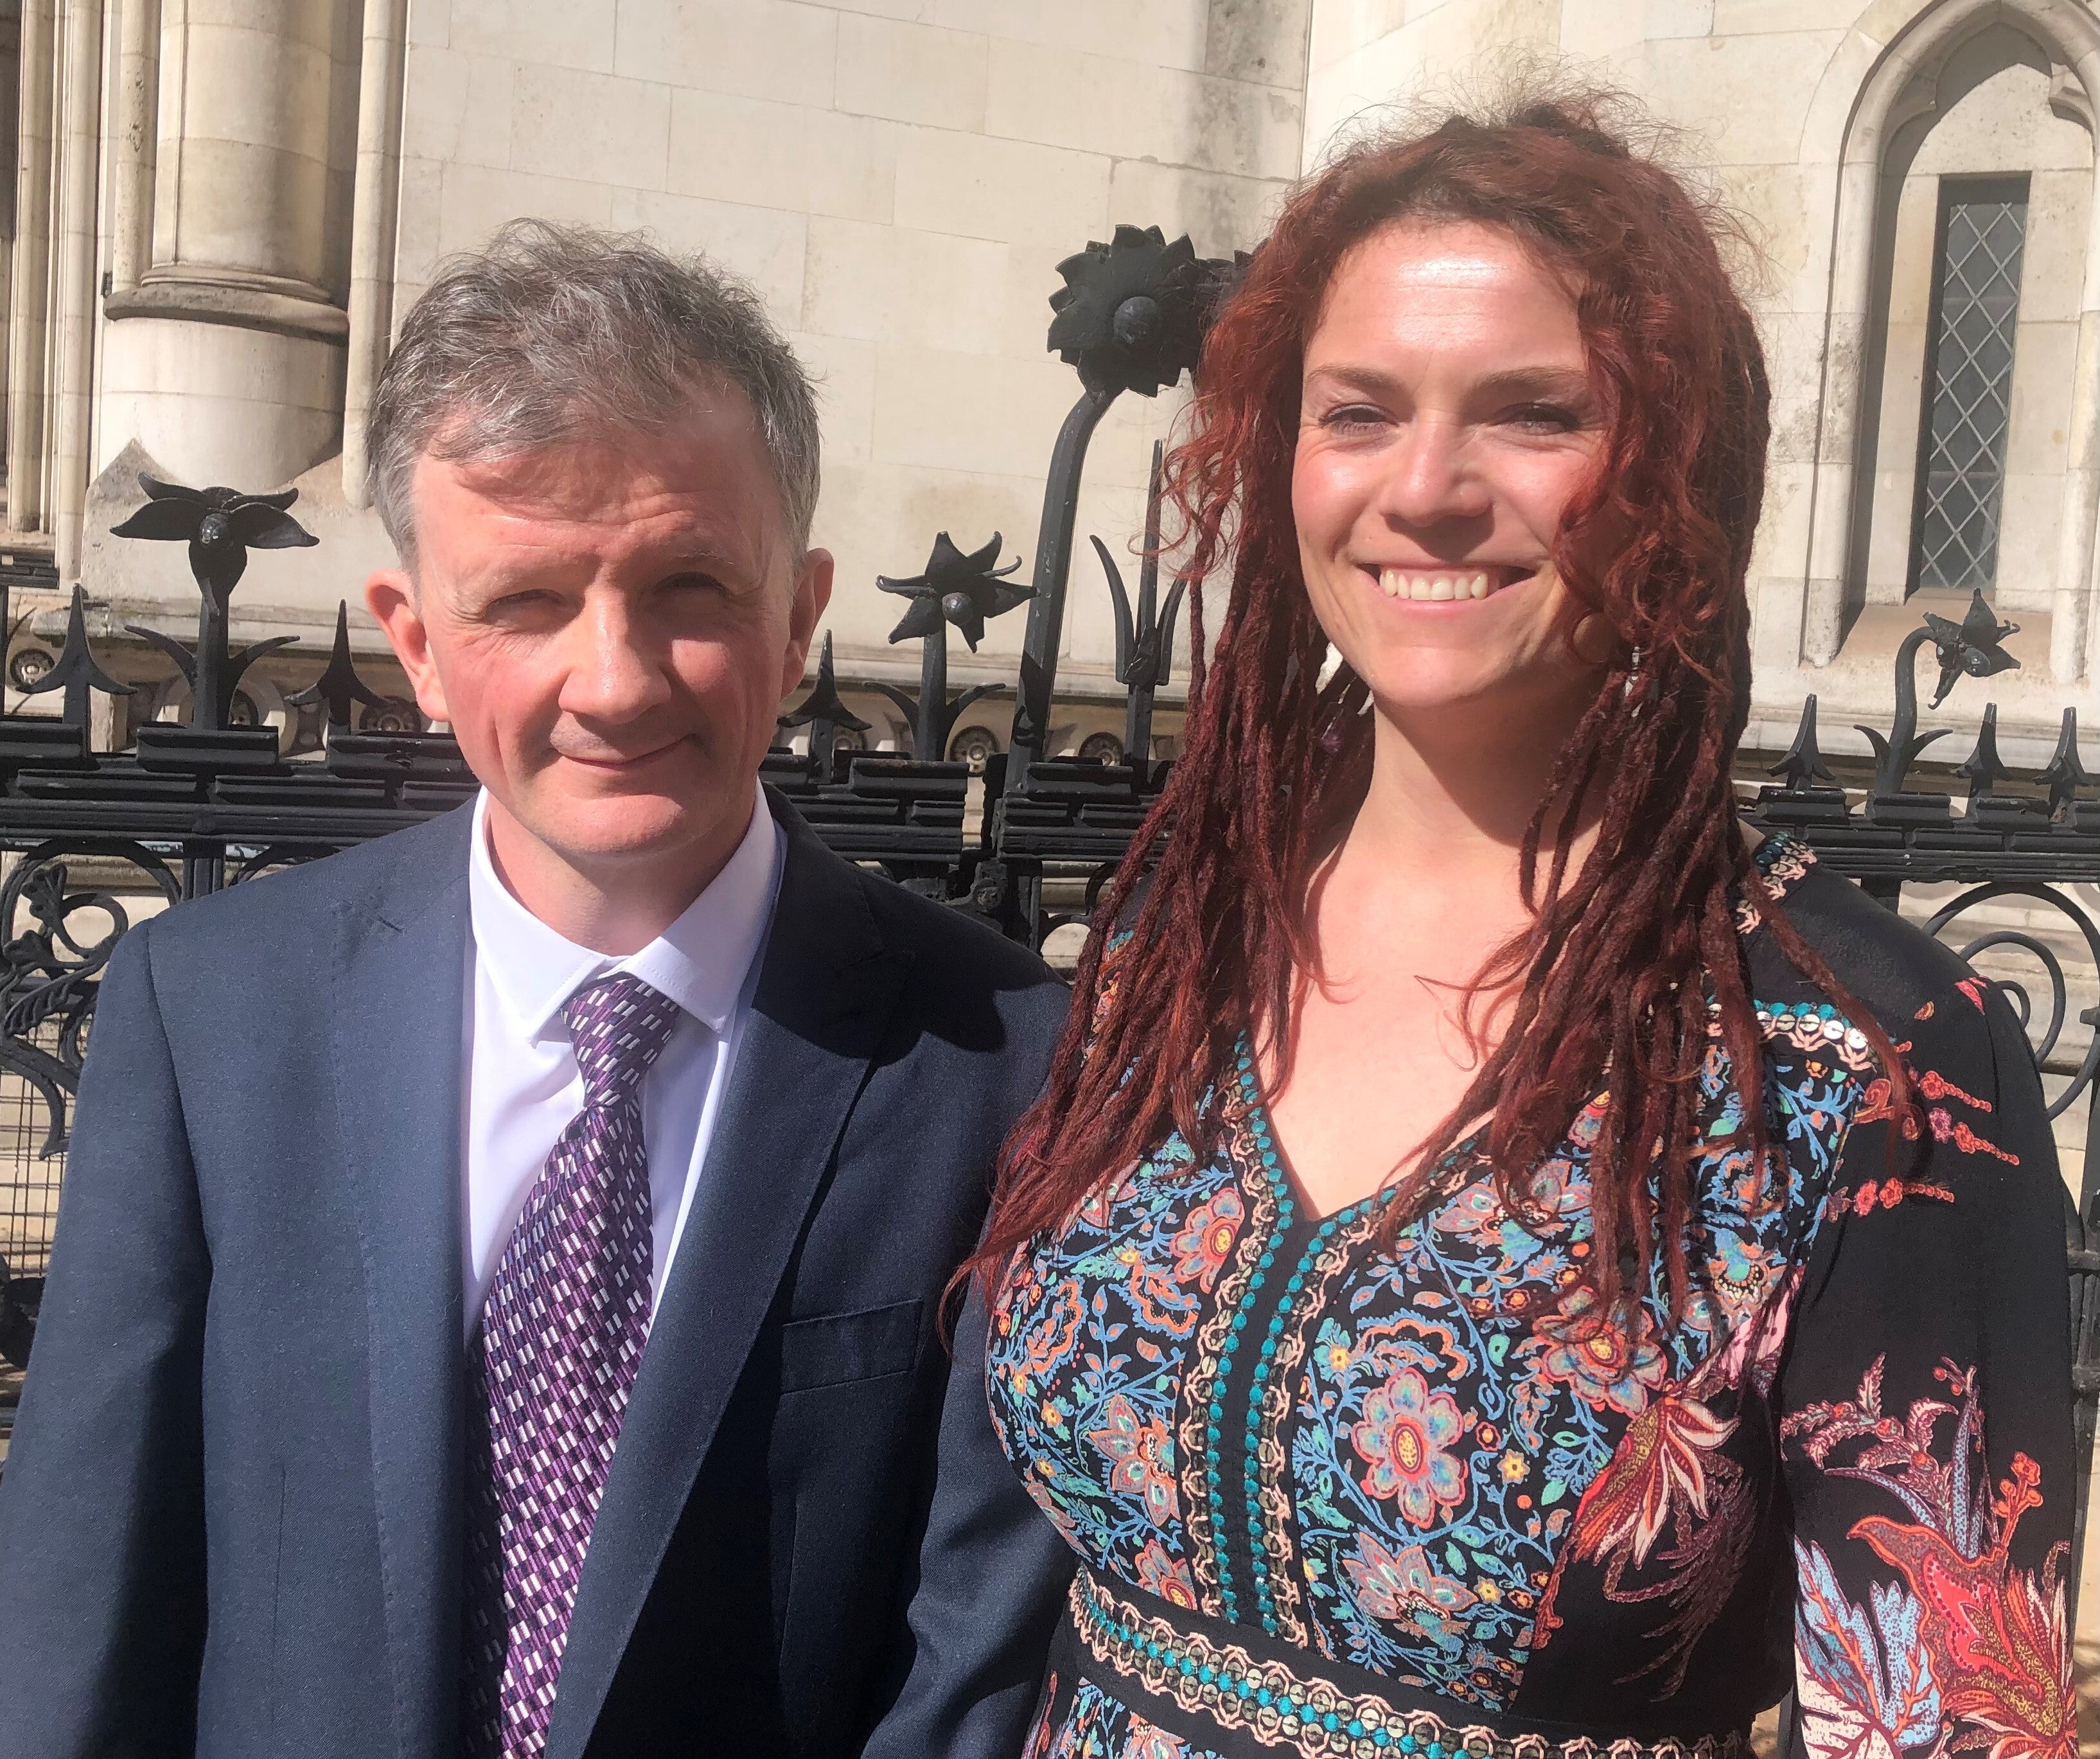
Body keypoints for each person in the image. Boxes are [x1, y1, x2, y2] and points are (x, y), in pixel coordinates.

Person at [975, 95, 2078, 1759]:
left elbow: (1946, 1724)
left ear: (1669, 481)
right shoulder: (1184, 949)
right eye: (1356, 411)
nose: (1422, 488)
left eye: (1531, 414)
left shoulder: (1862, 1063)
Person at [0, 222, 1073, 1758]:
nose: (617, 678)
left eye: (690, 584)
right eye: (526, 602)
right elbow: (85, 1594)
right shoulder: (215, 1014)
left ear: (799, 615)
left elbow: (970, 1659)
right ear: (418, 645)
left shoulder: (1004, 1060)